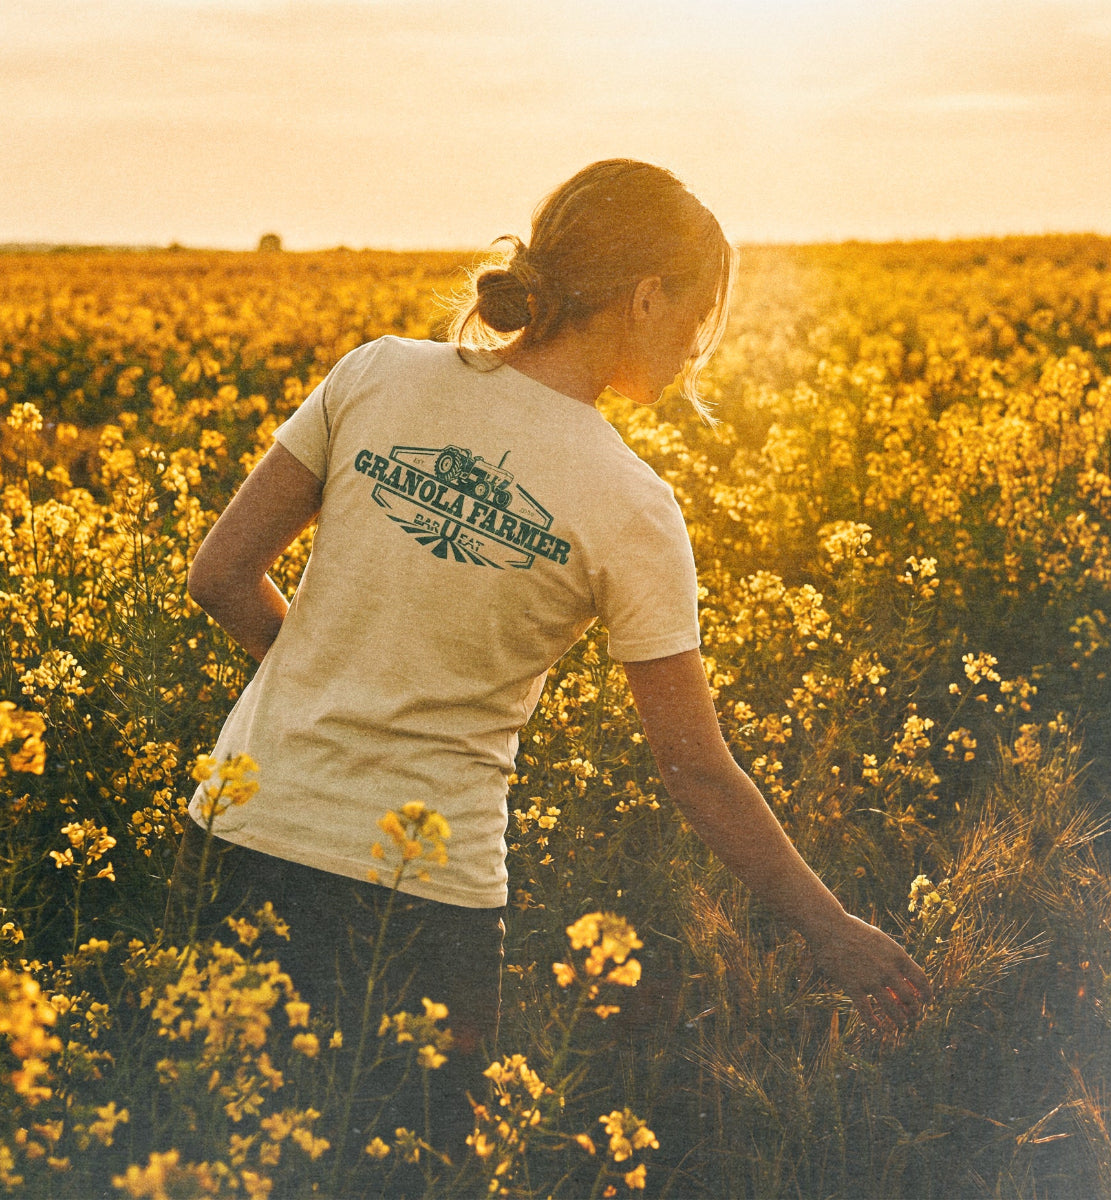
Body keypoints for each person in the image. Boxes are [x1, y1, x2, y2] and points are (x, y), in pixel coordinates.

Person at [172, 158, 932, 1162]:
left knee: (214, 1158)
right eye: (698, 317)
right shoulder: (631, 503)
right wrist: (825, 924)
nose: (698, 348)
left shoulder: (375, 373)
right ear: (646, 298)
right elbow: (694, 766)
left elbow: (220, 574)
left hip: (241, 834)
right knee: (398, 1176)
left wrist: (321, 669)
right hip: (422, 903)